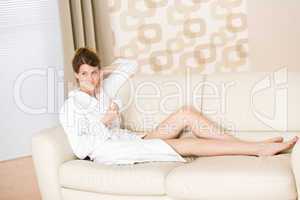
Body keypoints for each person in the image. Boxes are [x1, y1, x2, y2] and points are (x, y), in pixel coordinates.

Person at [59, 47, 298, 165]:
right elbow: (81, 150)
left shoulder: (104, 90)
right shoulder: (71, 107)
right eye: (84, 74)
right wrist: (104, 121)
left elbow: (130, 65)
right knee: (189, 143)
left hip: (131, 139)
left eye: (94, 72)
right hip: (113, 151)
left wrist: (105, 71)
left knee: (186, 114)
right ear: (76, 76)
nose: (91, 79)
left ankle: (250, 144)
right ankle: (257, 150)